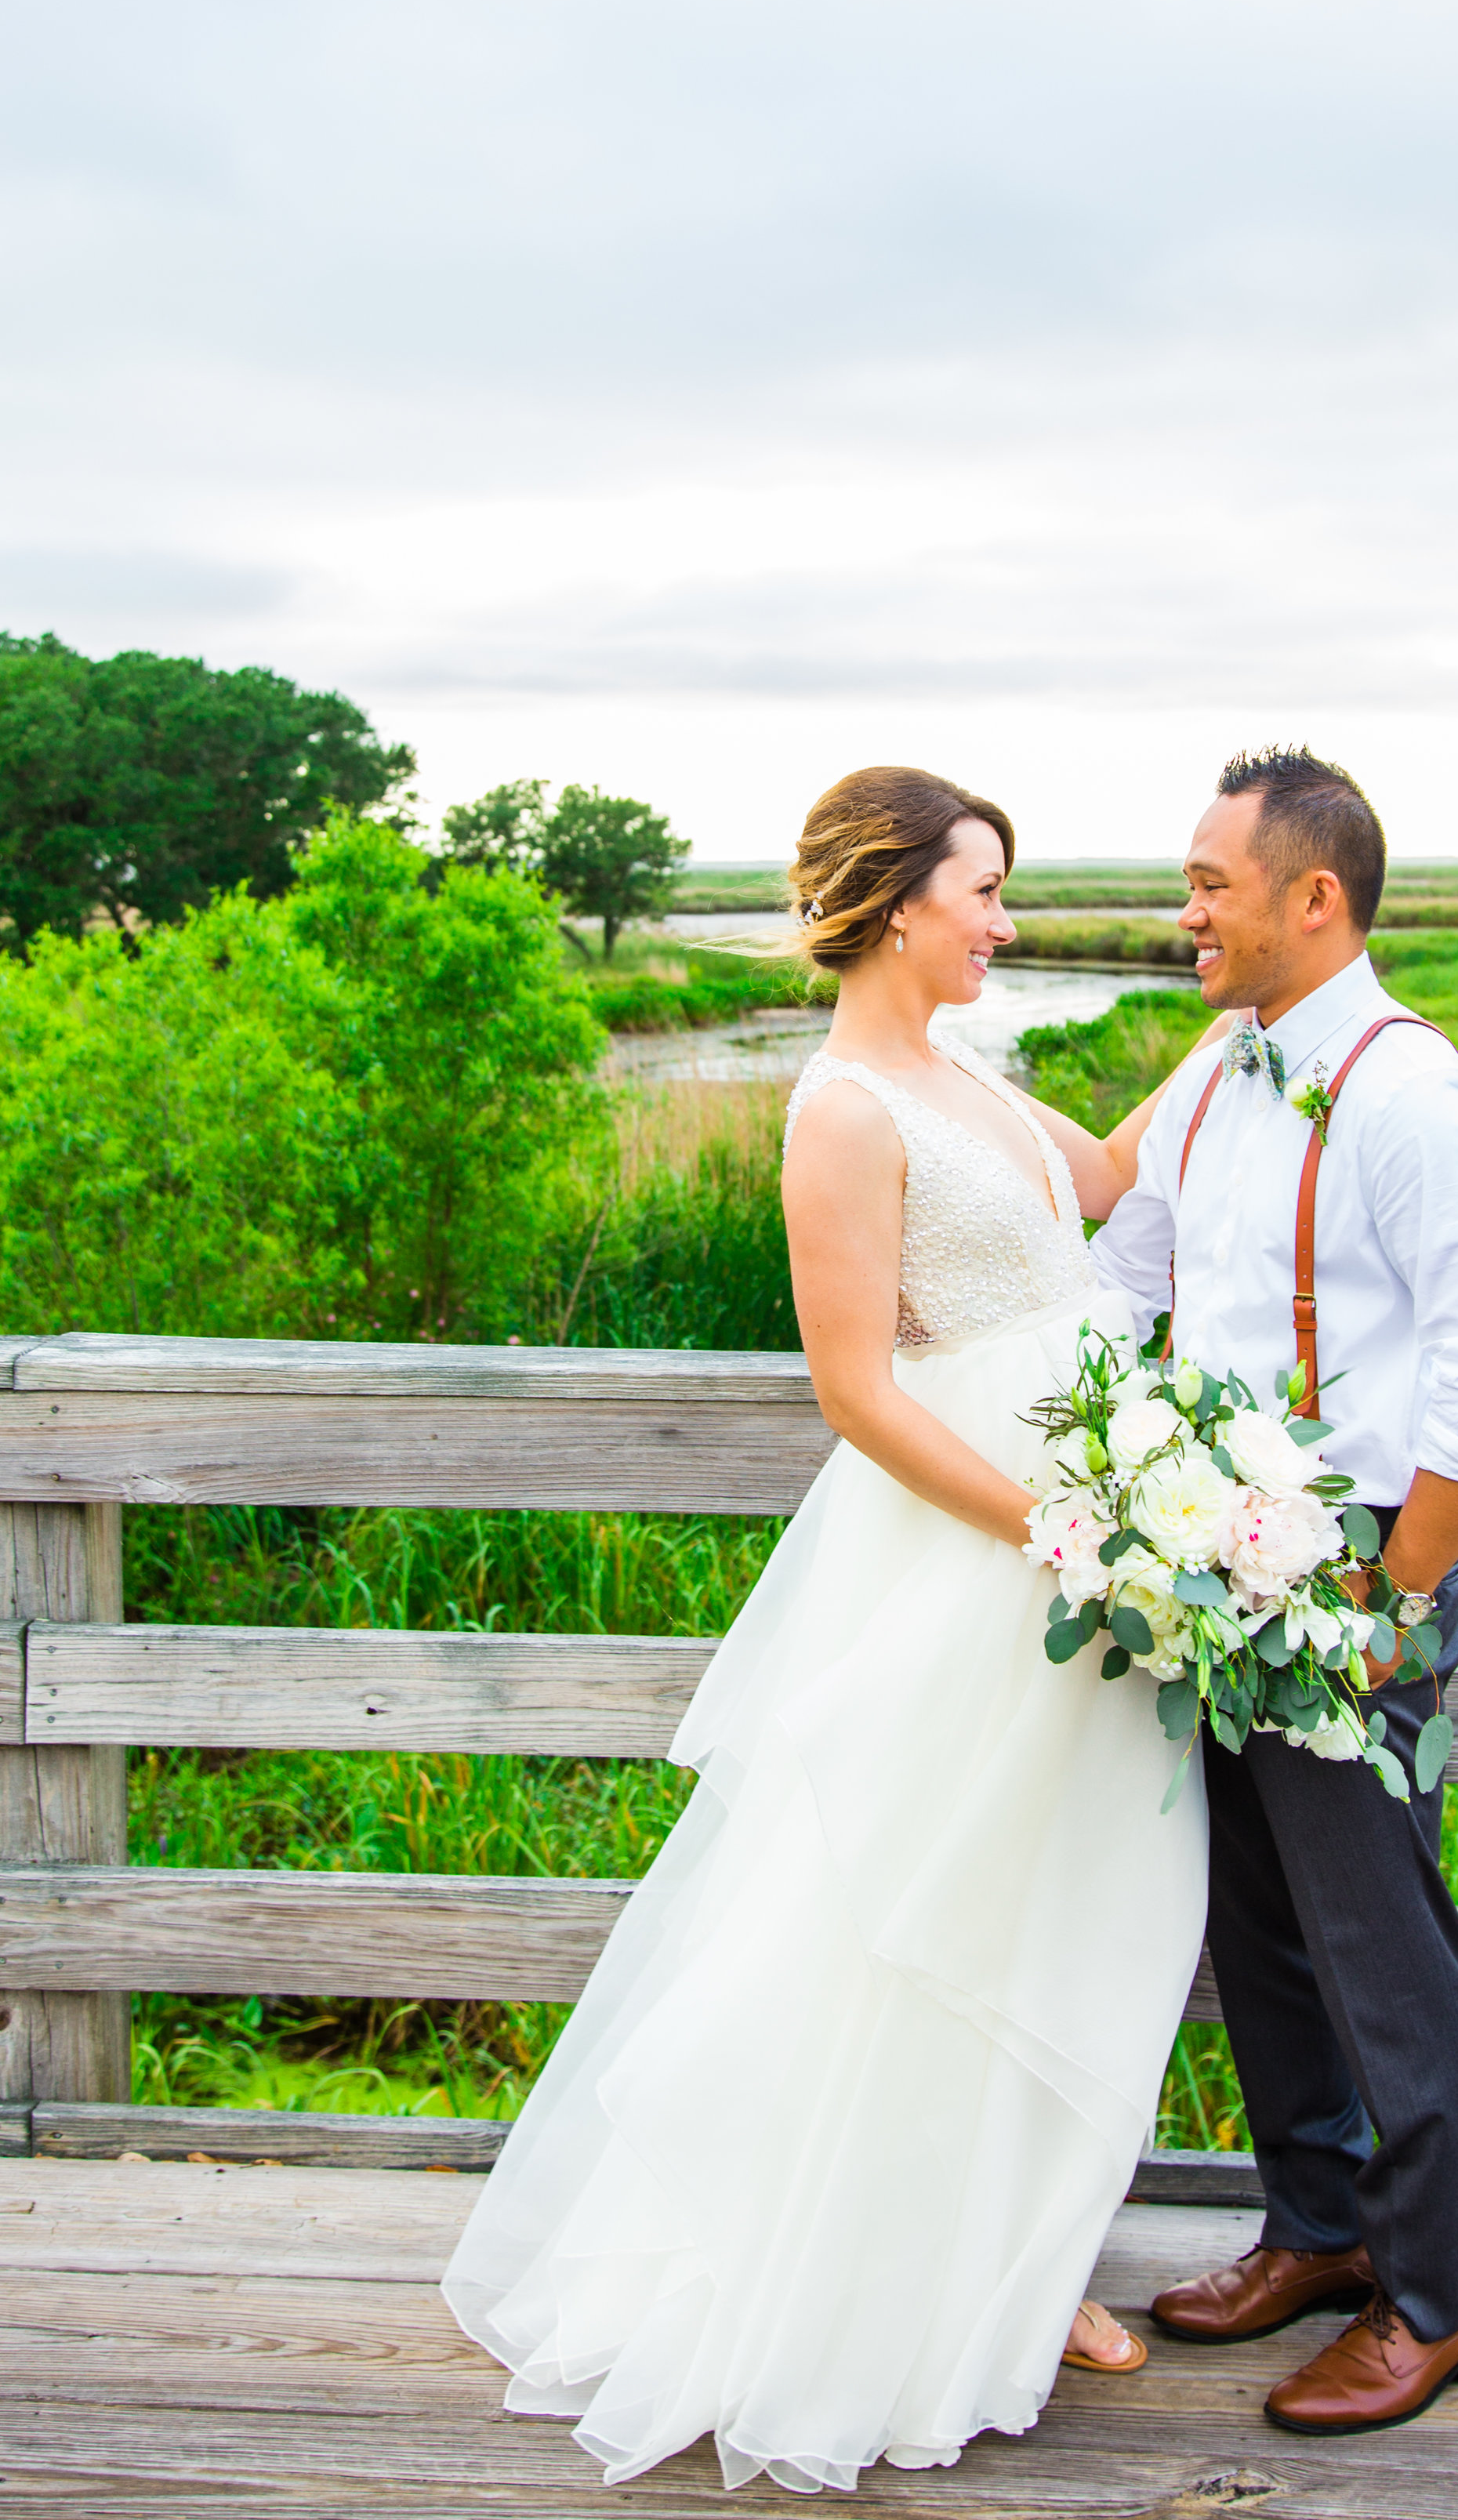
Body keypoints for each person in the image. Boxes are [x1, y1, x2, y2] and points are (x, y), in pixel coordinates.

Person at [443, 764, 1213, 2493]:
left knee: (1069, 1897)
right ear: (892, 900)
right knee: (924, 1910)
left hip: (1089, 1545)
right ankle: (904, 2286)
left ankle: (1020, 2260)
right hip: (980, 1557)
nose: (1005, 924)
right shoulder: (841, 1110)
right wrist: (1059, 1533)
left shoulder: (975, 1076)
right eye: (984, 891)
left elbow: (1097, 1185)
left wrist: (1236, 1032)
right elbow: (856, 1391)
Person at [1092, 744, 1458, 2438]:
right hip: (1208, 1552)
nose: (1186, 911)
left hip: (1357, 1552)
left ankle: (1437, 2293)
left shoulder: (1409, 1088)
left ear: (1313, 895)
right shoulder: (1219, 1073)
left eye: (1211, 883)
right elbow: (1124, 1273)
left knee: (1376, 1935)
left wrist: (1388, 1586)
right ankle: (1314, 2231)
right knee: (1260, 1928)